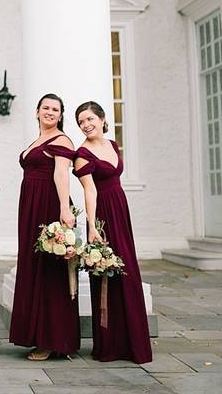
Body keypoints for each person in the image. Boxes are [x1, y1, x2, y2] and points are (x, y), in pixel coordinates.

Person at [74, 101, 152, 363]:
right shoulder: (82, 154)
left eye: (89, 119)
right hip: (103, 215)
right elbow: (90, 190)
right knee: (108, 275)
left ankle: (132, 342)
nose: (86, 125)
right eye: (81, 122)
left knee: (127, 271)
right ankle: (110, 344)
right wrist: (93, 226)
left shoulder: (112, 145)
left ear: (102, 118)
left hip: (120, 208)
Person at [8, 93, 79, 361]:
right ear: (37, 112)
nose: (50, 112)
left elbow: (61, 173)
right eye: (45, 108)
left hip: (49, 205)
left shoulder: (61, 139)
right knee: (33, 266)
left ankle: (53, 339)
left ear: (61, 115)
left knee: (50, 269)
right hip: (30, 207)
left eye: (55, 109)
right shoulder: (37, 140)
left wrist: (63, 209)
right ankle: (36, 334)